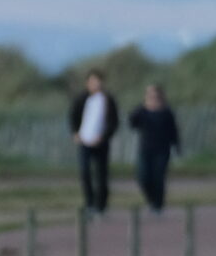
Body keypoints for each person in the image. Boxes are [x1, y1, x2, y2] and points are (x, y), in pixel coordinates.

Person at [70, 69, 119, 213]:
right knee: (85, 172)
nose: (96, 84)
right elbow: (73, 116)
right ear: (87, 83)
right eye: (92, 81)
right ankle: (89, 203)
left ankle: (101, 205)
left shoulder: (108, 100)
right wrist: (75, 133)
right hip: (84, 141)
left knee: (101, 173)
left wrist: (104, 136)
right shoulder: (81, 99)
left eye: (98, 81)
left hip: (101, 142)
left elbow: (113, 122)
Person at [130, 83, 182, 212]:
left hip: (162, 150)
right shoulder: (142, 111)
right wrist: (142, 107)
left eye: (155, 95)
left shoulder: (166, 112)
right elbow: (132, 122)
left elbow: (173, 130)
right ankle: (151, 200)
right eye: (150, 95)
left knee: (158, 177)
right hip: (145, 149)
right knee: (143, 177)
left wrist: (177, 147)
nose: (153, 97)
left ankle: (158, 204)